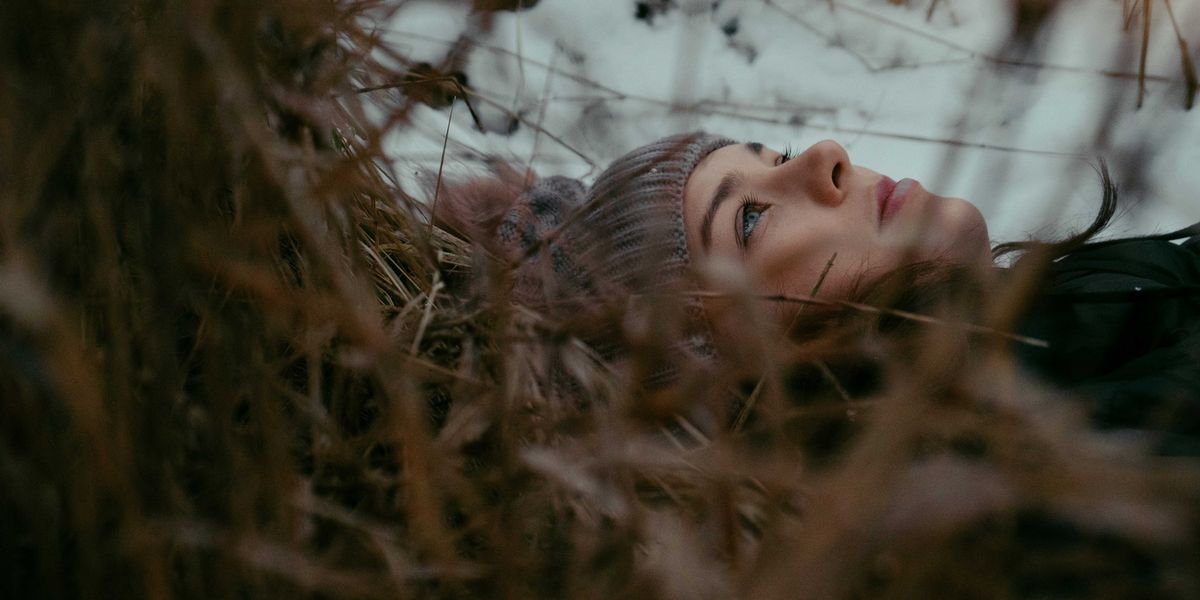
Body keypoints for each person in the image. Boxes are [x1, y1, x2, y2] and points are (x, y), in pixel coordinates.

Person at [436, 132, 1200, 454]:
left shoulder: (1094, 333)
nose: (828, 155)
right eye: (752, 218)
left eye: (780, 153)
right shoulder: (1055, 505)